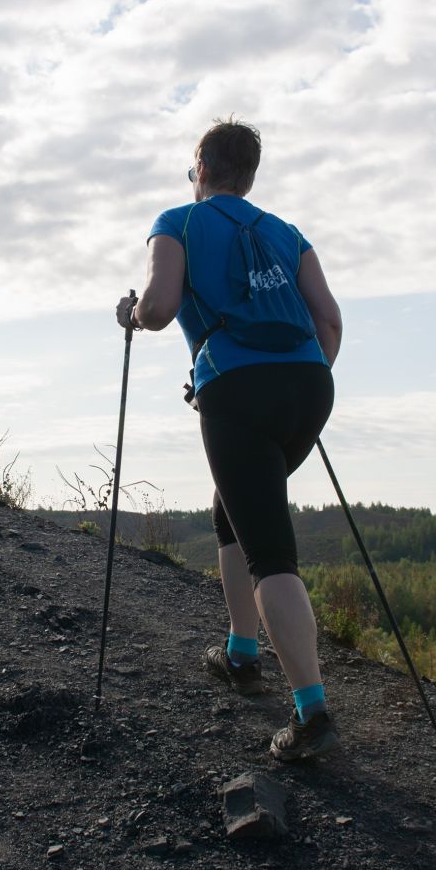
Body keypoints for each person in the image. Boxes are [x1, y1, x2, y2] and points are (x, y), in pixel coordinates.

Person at [116, 117, 344, 760]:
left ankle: (312, 713)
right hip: (310, 385)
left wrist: (129, 313)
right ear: (249, 176)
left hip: (238, 391)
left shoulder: (178, 223)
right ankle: (242, 654)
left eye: (194, 173)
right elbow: (329, 320)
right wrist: (300, 381)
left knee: (270, 551)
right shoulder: (288, 234)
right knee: (232, 514)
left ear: (204, 172)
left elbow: (158, 310)